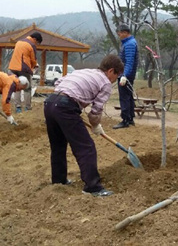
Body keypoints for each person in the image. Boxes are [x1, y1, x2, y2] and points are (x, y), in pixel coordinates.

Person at [44, 54, 124, 197]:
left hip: (50, 103)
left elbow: (59, 82)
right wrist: (96, 125)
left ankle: (59, 180)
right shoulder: (105, 82)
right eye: (116, 76)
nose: (114, 81)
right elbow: (96, 111)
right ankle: (92, 187)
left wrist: (70, 101)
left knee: (58, 146)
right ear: (111, 71)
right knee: (86, 147)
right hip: (65, 107)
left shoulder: (84, 71)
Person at [9, 32, 42, 113]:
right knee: (27, 88)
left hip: (12, 68)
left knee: (17, 87)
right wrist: (34, 66)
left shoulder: (19, 42)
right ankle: (27, 107)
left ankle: (18, 107)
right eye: (37, 42)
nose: (36, 44)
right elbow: (33, 59)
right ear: (34, 39)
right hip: (23, 69)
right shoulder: (31, 45)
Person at [113, 24, 138, 129]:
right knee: (129, 96)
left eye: (119, 33)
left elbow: (129, 62)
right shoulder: (128, 43)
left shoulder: (129, 44)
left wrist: (124, 75)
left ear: (125, 32)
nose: (119, 35)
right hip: (127, 74)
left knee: (124, 97)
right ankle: (130, 118)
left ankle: (125, 120)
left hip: (126, 74)